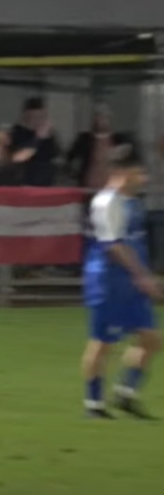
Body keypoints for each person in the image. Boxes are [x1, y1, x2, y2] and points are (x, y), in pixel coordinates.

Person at [82, 144, 162, 419]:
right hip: (110, 280)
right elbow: (113, 246)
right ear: (122, 172)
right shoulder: (107, 202)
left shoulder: (132, 202)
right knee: (103, 342)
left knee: (151, 338)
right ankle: (93, 404)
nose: (144, 179)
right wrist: (141, 275)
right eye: (139, 173)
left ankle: (126, 394)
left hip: (131, 280)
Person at [65, 105, 134, 189]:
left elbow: (131, 156)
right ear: (95, 119)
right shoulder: (84, 140)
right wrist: (75, 175)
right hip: (89, 188)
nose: (103, 121)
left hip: (112, 189)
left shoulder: (120, 140)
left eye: (106, 118)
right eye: (100, 117)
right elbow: (68, 159)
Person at [9, 97, 61, 186]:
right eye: (34, 117)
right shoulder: (17, 132)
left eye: (41, 117)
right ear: (26, 116)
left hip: (46, 182)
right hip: (24, 182)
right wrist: (38, 138)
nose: (38, 121)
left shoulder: (48, 134)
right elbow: (19, 157)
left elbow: (54, 154)